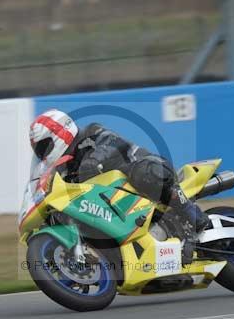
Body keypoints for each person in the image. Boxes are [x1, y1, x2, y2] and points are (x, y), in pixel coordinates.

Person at [29, 109, 211, 257]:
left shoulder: (91, 133)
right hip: (118, 201)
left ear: (61, 132)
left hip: (148, 168)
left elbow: (111, 142)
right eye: (40, 152)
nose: (44, 154)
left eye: (45, 147)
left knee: (146, 173)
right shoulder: (64, 167)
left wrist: (95, 159)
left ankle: (194, 217)